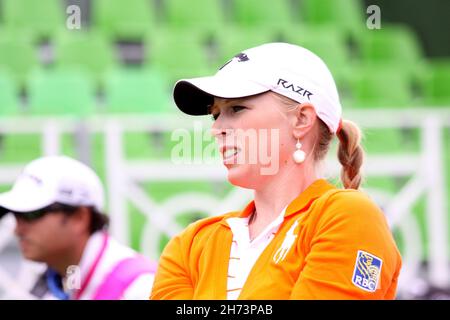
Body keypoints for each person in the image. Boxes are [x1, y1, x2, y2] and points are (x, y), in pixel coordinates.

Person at [150, 42, 402, 299]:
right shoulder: (190, 244)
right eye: (215, 115)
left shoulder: (349, 216)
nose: (216, 129)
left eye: (236, 108)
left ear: (302, 119)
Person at [0, 155, 156, 300]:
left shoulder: (140, 288)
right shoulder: (51, 282)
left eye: (31, 215)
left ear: (79, 218)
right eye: (15, 215)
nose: (17, 230)